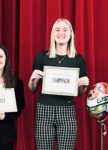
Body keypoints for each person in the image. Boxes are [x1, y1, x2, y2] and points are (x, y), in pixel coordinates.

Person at [28, 18, 89, 150]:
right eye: (57, 29)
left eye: (65, 30)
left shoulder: (78, 59)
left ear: (71, 34)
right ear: (52, 34)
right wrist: (32, 79)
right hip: (44, 110)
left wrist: (83, 85)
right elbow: (32, 89)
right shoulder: (41, 56)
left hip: (67, 111)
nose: (61, 33)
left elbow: (79, 93)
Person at [0, 45, 25, 150]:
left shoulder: (16, 82)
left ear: (6, 59)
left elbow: (19, 106)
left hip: (5, 134)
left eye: (0, 56)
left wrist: (5, 116)